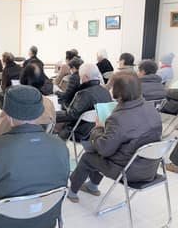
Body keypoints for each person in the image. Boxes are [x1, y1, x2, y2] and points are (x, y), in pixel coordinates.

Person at [0, 85, 69, 228]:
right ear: (40, 112)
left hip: (3, 221)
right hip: (45, 218)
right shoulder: (60, 146)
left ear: (7, 114)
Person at [68, 71, 162, 203]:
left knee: (89, 156)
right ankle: (92, 186)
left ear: (118, 91)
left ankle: (72, 192)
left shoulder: (118, 118)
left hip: (128, 171)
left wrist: (99, 127)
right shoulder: (151, 108)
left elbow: (104, 150)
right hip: (149, 168)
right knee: (97, 150)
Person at [0, 62, 56, 137]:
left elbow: (0, 130)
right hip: (41, 144)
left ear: (23, 78)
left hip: (15, 144)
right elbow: (52, 125)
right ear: (42, 80)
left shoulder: (13, 103)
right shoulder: (49, 103)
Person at [56, 63, 112, 141]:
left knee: (55, 125)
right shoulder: (105, 92)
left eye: (80, 76)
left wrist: (53, 114)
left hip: (81, 132)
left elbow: (72, 115)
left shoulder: (84, 93)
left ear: (85, 77)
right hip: (101, 130)